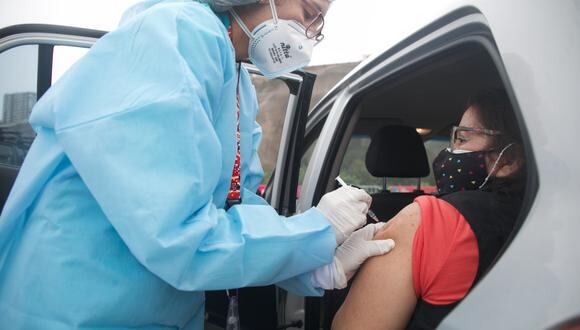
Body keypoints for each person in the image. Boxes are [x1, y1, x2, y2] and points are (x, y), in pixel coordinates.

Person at [0, 0, 395, 328]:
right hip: (76, 309)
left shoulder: (236, 79)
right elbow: (177, 232)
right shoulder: (174, 35)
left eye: (318, 23)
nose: (308, 32)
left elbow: (234, 206)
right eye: (308, 11)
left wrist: (316, 266)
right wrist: (316, 233)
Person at [332, 89, 526, 329]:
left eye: (462, 139)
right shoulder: (553, 219)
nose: (450, 151)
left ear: (509, 160)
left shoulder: (429, 218)